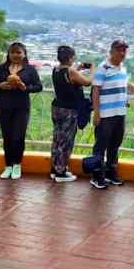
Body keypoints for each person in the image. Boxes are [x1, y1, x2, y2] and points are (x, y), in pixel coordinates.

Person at [0, 42, 43, 180]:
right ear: (8, 54)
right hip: (4, 106)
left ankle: (17, 164)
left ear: (24, 54)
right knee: (7, 137)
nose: (15, 55)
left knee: (18, 137)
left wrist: (25, 88)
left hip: (21, 107)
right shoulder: (2, 68)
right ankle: (8, 166)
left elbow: (38, 86)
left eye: (19, 52)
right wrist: (0, 85)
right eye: (13, 52)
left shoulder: (29, 69)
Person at [90, 39, 134, 190]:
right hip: (105, 114)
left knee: (115, 144)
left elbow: (124, 86)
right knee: (100, 145)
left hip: (119, 113)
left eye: (124, 50)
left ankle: (110, 172)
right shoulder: (103, 68)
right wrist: (96, 113)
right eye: (119, 50)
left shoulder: (122, 68)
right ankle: (97, 176)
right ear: (111, 51)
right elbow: (95, 91)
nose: (122, 53)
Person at [50, 46, 93, 183]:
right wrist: (93, 70)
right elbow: (87, 82)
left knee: (57, 138)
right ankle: (61, 172)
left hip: (57, 107)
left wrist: (77, 68)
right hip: (69, 110)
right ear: (70, 58)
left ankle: (55, 167)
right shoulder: (70, 71)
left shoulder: (56, 69)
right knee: (66, 140)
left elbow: (69, 76)